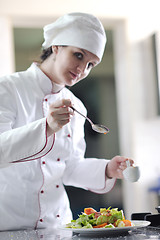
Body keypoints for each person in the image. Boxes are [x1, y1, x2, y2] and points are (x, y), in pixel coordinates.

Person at [0, 12, 133, 231]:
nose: (82, 70)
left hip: (57, 225)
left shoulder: (77, 107)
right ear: (56, 46)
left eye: (91, 64)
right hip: (9, 225)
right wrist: (46, 127)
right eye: (78, 55)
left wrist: (107, 169)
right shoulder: (8, 89)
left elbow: (69, 167)